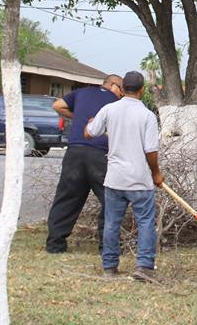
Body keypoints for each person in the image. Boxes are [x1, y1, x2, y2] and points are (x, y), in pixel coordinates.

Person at [85, 71, 164, 281]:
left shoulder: (109, 110)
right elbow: (151, 151)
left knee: (112, 222)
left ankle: (109, 267)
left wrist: (91, 123)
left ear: (122, 89)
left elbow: (90, 132)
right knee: (146, 222)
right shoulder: (147, 115)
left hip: (115, 179)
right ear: (141, 90)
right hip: (139, 179)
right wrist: (156, 173)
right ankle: (144, 267)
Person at [44, 74, 123, 254]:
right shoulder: (116, 103)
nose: (121, 94)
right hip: (99, 154)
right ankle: (107, 246)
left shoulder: (82, 92)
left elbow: (57, 105)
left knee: (67, 197)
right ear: (114, 86)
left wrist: (76, 115)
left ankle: (55, 244)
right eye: (121, 89)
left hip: (75, 152)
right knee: (110, 199)